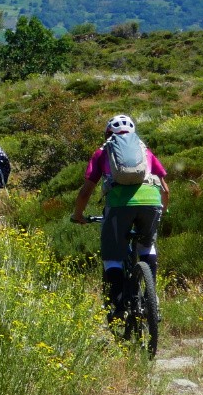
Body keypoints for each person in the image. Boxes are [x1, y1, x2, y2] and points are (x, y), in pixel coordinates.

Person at [71, 114, 170, 321]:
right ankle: (152, 298)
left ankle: (117, 303)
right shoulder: (145, 151)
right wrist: (163, 210)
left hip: (118, 206)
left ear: (108, 133)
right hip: (152, 203)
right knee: (147, 246)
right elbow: (165, 190)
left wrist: (78, 214)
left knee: (112, 256)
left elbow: (86, 191)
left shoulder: (102, 152)